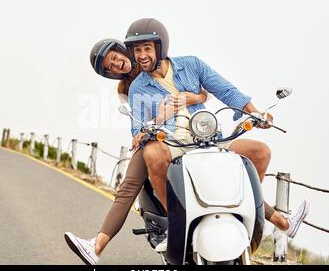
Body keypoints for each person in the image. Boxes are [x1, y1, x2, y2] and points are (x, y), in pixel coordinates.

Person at [124, 18, 310, 252]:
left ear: (160, 48)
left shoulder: (191, 65)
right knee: (151, 153)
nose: (141, 55)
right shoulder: (137, 88)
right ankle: (174, 223)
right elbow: (136, 132)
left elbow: (226, 91)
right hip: (173, 143)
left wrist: (256, 113)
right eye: (137, 50)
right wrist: (157, 120)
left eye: (147, 48)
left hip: (208, 138)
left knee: (260, 152)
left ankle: (247, 214)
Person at [64, 38, 209, 265]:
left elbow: (201, 92)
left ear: (122, 51)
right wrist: (148, 128)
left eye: (115, 58)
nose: (116, 65)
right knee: (130, 184)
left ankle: (277, 219)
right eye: (110, 67)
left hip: (189, 130)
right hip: (154, 135)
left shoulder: (155, 62)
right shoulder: (125, 88)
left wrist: (196, 97)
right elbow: (138, 122)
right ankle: (96, 246)